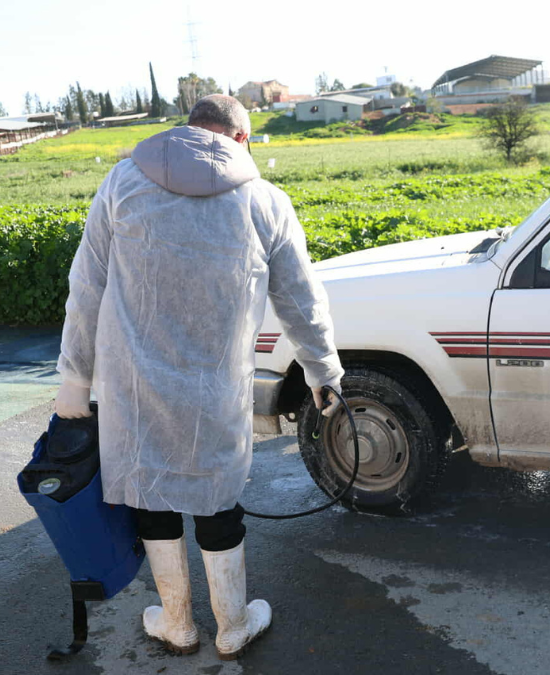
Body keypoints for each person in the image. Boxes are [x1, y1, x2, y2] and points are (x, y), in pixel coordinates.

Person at [54, 94, 344, 660]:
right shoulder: (265, 200)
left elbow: (87, 285)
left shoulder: (122, 183)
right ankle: (233, 626)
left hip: (134, 383)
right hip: (218, 384)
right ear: (240, 139)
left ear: (188, 131)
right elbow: (300, 299)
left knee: (152, 494)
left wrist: (75, 378)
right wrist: (322, 371)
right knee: (217, 496)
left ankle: (177, 623)